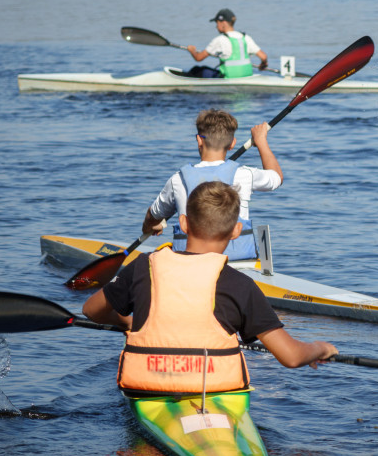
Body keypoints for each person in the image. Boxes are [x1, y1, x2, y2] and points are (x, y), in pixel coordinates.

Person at [83, 181, 338, 397]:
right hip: (214, 393)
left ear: (183, 223)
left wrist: (128, 323)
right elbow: (292, 357)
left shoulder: (143, 267)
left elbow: (91, 310)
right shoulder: (241, 285)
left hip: (147, 389)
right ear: (237, 231)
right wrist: (319, 348)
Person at [141, 109, 283, 261]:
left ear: (199, 140)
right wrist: (261, 141)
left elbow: (153, 214)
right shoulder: (244, 174)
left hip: (189, 263)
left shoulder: (178, 179)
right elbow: (277, 177)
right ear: (232, 144)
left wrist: (150, 226)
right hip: (238, 263)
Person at [186, 8, 268, 78]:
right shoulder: (245, 37)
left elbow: (199, 58)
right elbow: (263, 57)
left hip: (228, 78)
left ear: (223, 23)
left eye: (217, 23)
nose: (216, 26)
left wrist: (192, 50)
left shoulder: (220, 40)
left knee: (197, 70)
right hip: (246, 76)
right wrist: (262, 65)